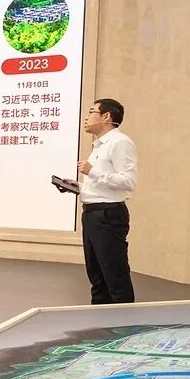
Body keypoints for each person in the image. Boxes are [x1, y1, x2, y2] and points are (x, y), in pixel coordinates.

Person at [78, 98, 137, 304]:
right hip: (92, 214)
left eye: (91, 112)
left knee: (114, 275)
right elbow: (102, 184)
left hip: (108, 215)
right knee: (96, 276)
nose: (86, 117)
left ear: (106, 116)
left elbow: (128, 182)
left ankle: (125, 321)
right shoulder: (98, 146)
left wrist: (92, 171)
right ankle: (100, 320)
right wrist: (78, 186)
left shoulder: (120, 142)